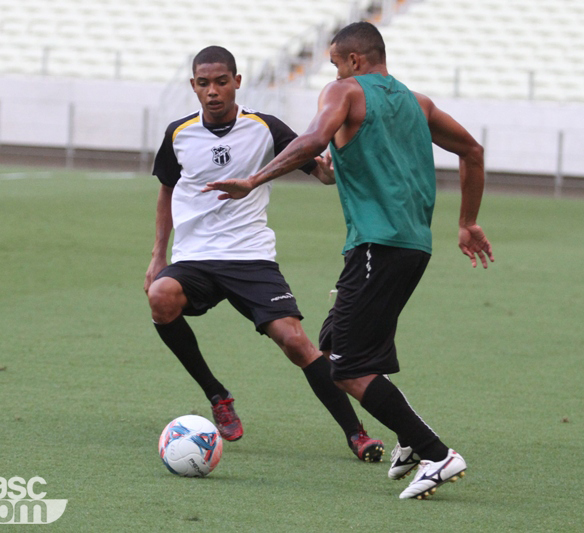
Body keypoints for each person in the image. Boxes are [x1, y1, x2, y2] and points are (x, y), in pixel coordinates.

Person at [203, 23, 494, 499]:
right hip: (412, 246)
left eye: (336, 61)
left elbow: (314, 139)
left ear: (355, 61)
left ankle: (436, 453)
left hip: (378, 245)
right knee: (334, 338)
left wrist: (252, 182)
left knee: (348, 369)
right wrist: (468, 221)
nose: (333, 71)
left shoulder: (345, 91)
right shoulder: (417, 103)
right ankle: (408, 441)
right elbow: (472, 151)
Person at [145, 46, 385, 462]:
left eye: (221, 82)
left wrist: (333, 164)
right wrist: (157, 255)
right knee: (160, 297)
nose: (213, 91)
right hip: (196, 257)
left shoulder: (265, 127)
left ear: (237, 82)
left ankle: (356, 433)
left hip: (250, 257)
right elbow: (167, 190)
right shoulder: (177, 133)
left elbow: (320, 172)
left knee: (296, 343)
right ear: (194, 86)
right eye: (204, 84)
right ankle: (217, 395)